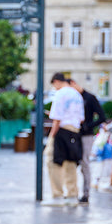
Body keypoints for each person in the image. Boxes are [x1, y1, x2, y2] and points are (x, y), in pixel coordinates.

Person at [41, 73, 84, 206]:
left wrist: (52, 136)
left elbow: (57, 118)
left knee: (54, 162)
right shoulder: (76, 94)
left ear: (56, 81)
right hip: (75, 131)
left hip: (62, 130)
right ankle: (72, 195)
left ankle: (57, 195)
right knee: (70, 162)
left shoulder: (60, 94)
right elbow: (82, 118)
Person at [69, 79, 106, 203]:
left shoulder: (89, 98)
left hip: (86, 135)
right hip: (74, 134)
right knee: (72, 163)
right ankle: (73, 191)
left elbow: (102, 117)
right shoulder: (73, 98)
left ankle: (86, 193)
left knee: (85, 163)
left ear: (74, 84)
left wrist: (88, 126)